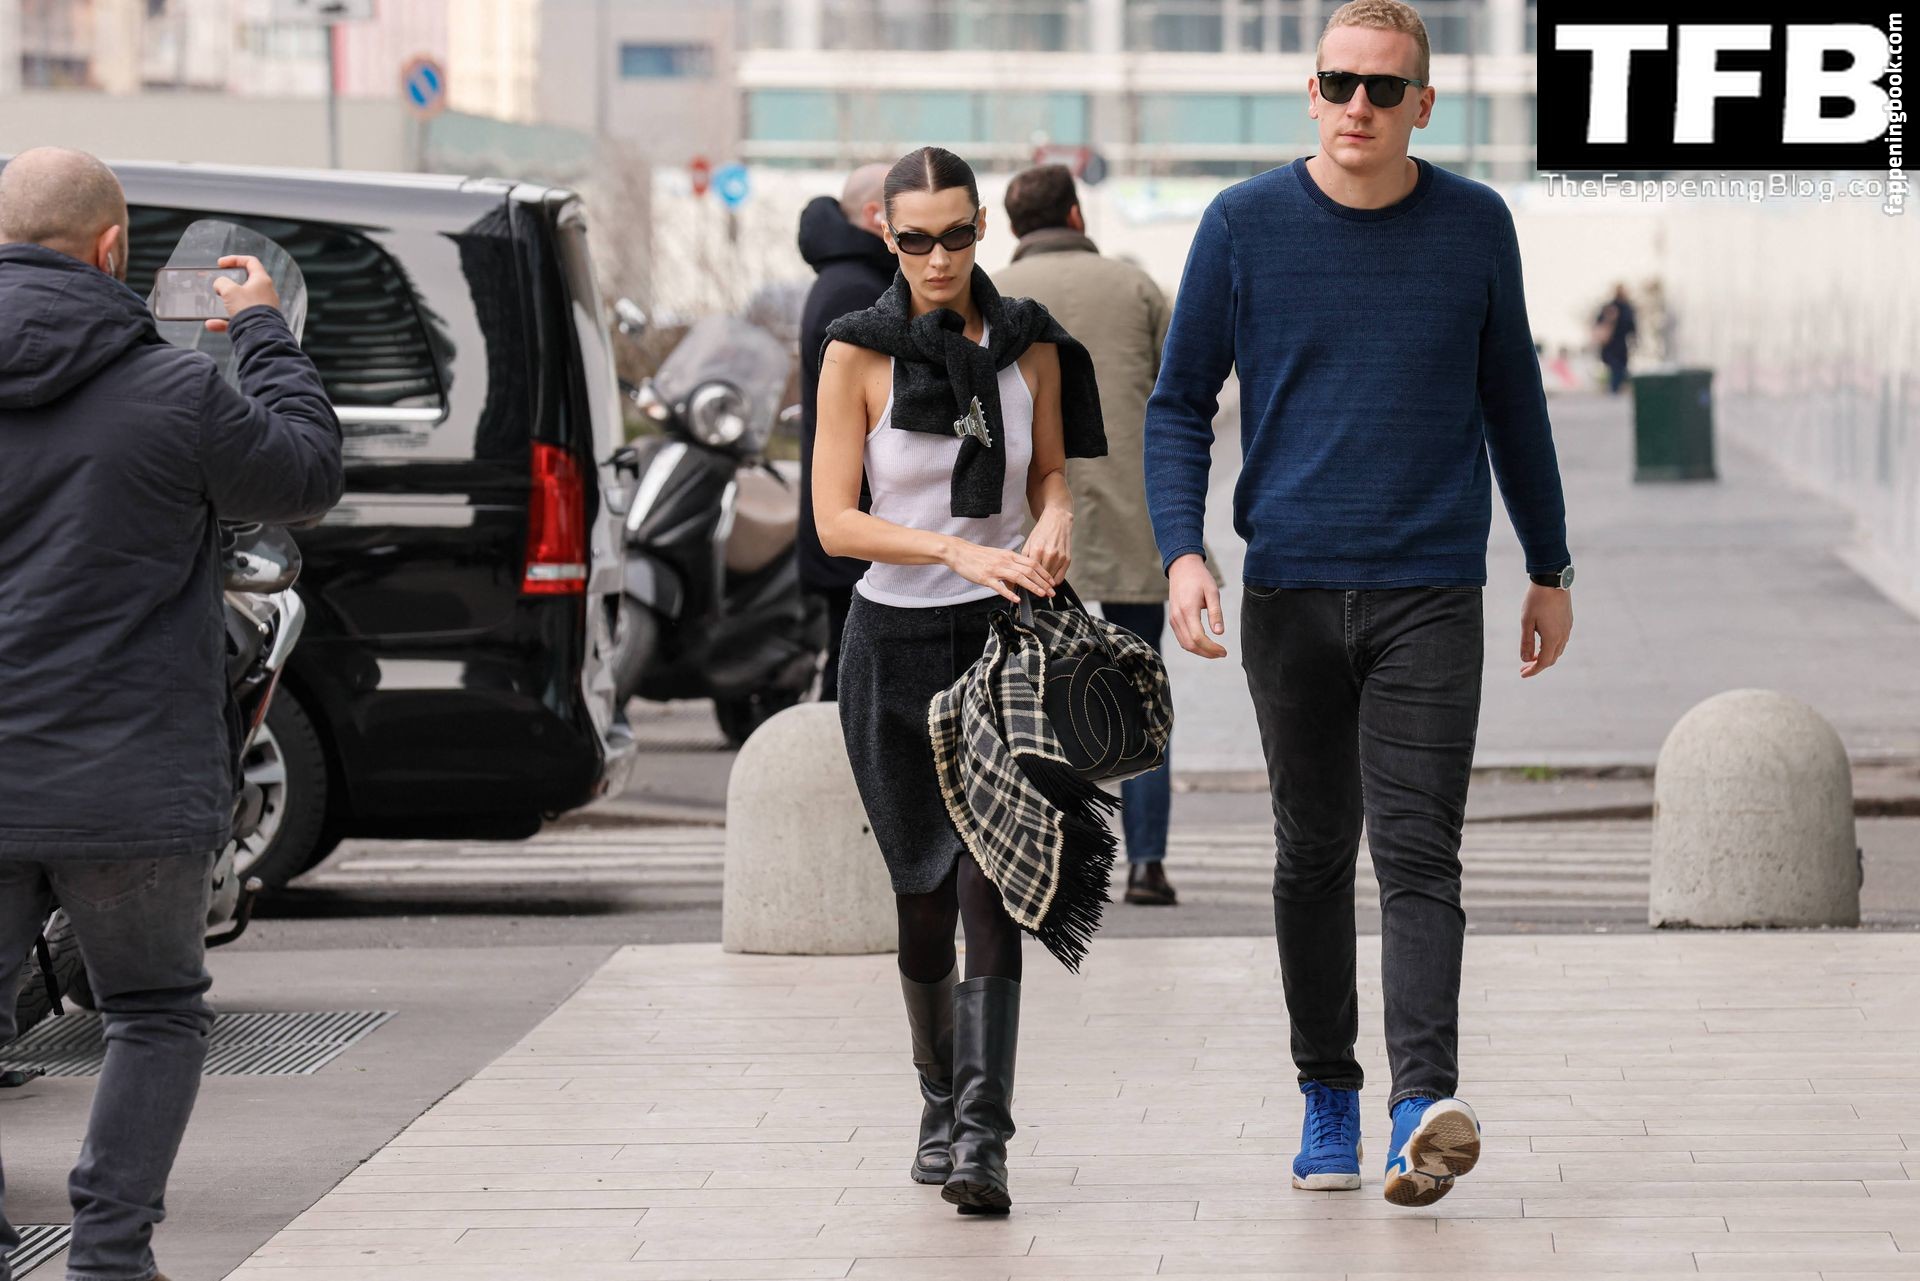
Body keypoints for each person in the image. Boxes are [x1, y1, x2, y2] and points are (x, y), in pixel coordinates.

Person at [1143, 0, 1575, 1208]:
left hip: (1431, 591)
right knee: (1313, 851)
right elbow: (1179, 404)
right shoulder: (1242, 226)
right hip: (1287, 591)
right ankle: (1326, 1092)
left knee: (1420, 851)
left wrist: (1550, 566)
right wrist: (1183, 553)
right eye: (1340, 84)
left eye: (1385, 89)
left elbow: (1515, 401)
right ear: (1312, 92)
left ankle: (1418, 1106)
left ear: (1424, 105)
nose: (1359, 107)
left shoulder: (1476, 226)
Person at [0, 147, 343, 1281]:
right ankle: (108, 1256)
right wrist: (263, 331)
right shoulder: (175, 390)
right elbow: (304, 474)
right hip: (132, 780)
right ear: (113, 251)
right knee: (151, 1012)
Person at [813, 146, 1103, 1216]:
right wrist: (953, 549)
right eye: (915, 239)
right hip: (889, 649)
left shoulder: (1031, 345)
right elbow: (834, 522)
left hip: (1001, 645)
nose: (938, 259)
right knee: (923, 895)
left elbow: (1051, 473)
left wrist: (1056, 519)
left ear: (984, 226)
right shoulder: (857, 352)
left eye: (957, 235)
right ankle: (938, 1098)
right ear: (886, 236)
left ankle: (984, 1137)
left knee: (994, 887)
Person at [994, 162, 1217, 908]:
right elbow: (1185, 395)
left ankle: (1050, 864)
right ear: (1076, 215)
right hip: (1136, 519)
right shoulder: (1137, 287)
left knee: (1032, 698)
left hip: (1026, 530)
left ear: (1014, 225)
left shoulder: (991, 293)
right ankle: (1147, 864)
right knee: (1138, 691)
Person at [796, 164, 894, 699]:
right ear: (875, 215)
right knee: (853, 686)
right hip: (856, 520)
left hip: (857, 517)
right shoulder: (855, 288)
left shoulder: (847, 277)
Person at [1594, 282, 1638, 395]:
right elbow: (1600, 324)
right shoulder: (1612, 307)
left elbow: (1631, 326)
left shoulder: (1625, 308)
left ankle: (1616, 388)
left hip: (1619, 344)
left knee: (1619, 368)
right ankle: (1615, 389)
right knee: (1617, 367)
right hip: (1612, 345)